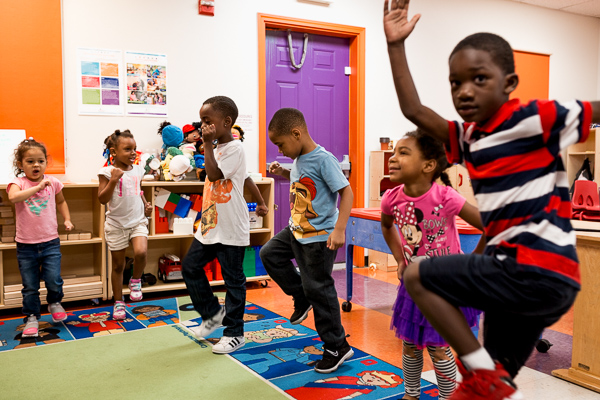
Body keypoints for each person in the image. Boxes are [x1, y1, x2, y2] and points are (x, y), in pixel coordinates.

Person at [383, 1, 600, 398]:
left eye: (479, 79)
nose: (465, 91)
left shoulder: (538, 118)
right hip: (535, 280)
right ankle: (486, 377)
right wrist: (395, 44)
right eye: (455, 83)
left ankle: (482, 373)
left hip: (536, 267)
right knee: (490, 385)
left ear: (510, 82)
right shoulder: (468, 137)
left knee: (416, 275)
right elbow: (413, 109)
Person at [381, 130, 483, 400]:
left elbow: (488, 226)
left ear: (428, 166)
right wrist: (400, 260)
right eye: (394, 152)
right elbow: (386, 225)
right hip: (414, 286)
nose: (393, 158)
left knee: (439, 348)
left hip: (445, 286)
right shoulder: (392, 198)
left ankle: (448, 396)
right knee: (410, 345)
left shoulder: (445, 197)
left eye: (404, 153)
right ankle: (411, 394)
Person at [260, 107, 354, 374]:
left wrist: (340, 229)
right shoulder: (300, 157)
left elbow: (346, 193)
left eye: (281, 144)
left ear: (297, 133)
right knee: (269, 254)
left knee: (320, 290)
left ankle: (337, 346)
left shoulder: (324, 159)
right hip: (297, 230)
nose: (280, 150)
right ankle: (300, 295)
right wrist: (283, 172)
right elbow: (303, 181)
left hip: (319, 237)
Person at [182, 96, 251, 354]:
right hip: (210, 225)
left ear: (227, 122)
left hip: (231, 227)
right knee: (190, 266)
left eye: (208, 121)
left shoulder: (234, 149)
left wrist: (208, 145)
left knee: (233, 281)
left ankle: (235, 333)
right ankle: (212, 314)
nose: (203, 126)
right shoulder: (216, 148)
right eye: (201, 121)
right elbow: (244, 179)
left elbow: (214, 175)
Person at [7, 138, 74, 337]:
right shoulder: (17, 183)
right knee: (30, 286)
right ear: (20, 165)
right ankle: (31, 317)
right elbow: (13, 197)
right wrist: (37, 187)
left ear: (46, 162)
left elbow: (61, 202)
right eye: (30, 161)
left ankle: (54, 302)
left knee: (54, 279)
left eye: (40, 161)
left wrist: (67, 219)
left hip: (50, 242)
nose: (36, 165)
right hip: (26, 245)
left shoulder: (53, 182)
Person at [98, 130, 152, 320]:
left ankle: (135, 280)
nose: (132, 153)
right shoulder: (105, 172)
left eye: (134, 149)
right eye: (127, 149)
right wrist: (113, 179)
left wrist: (145, 204)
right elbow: (102, 199)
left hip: (137, 221)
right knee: (118, 266)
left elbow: (137, 190)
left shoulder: (138, 170)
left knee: (141, 253)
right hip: (116, 225)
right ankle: (119, 302)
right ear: (114, 151)